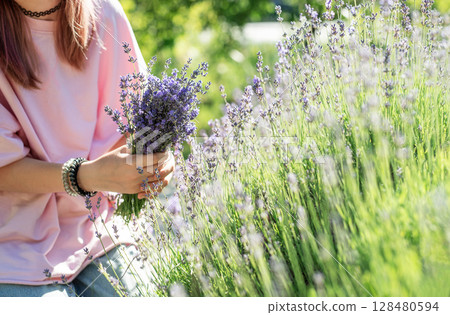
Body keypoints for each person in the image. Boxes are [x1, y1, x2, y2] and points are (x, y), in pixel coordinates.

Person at [0, 0, 174, 296]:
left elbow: (134, 121)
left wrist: (154, 160)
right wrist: (85, 176)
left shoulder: (104, 11)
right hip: (12, 245)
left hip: (101, 230)